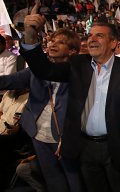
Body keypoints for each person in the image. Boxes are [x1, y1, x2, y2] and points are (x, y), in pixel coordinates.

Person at [20, 10, 120, 192]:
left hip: (117, 146)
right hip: (84, 147)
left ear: (113, 43)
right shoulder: (77, 65)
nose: (92, 39)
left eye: (99, 36)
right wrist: (30, 36)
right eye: (90, 35)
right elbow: (44, 70)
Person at [0, 28, 83, 192]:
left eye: (61, 42)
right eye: (52, 40)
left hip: (62, 137)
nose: (53, 44)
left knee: (73, 178)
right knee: (52, 177)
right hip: (37, 133)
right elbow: (9, 81)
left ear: (72, 51)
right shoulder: (35, 71)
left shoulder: (79, 72)